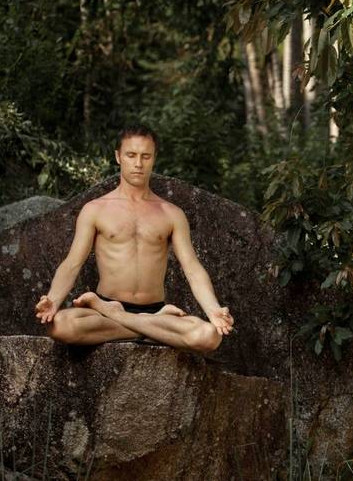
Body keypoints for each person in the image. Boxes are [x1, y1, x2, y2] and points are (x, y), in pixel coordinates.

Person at [34, 126, 233, 353]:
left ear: (153, 159)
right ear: (118, 156)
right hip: (104, 308)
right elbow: (72, 263)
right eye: (131, 155)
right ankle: (149, 328)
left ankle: (120, 317)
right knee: (60, 326)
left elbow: (192, 269)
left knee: (209, 337)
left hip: (150, 308)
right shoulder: (95, 210)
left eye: (145, 156)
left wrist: (213, 310)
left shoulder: (171, 214)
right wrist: (53, 299)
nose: (138, 164)